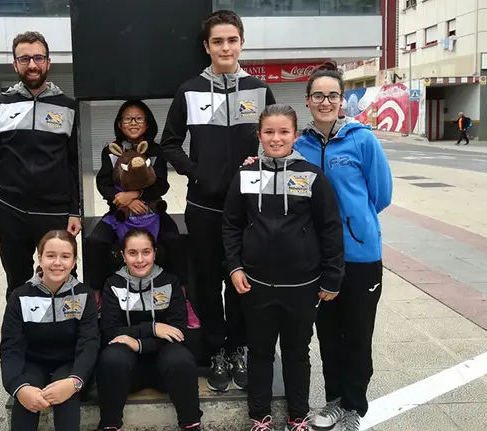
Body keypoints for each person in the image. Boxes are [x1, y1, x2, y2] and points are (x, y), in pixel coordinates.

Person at [246, 62, 393, 430]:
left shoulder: (363, 140)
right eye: (317, 95)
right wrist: (254, 162)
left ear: (342, 100)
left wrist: (352, 225)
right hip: (318, 261)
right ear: (308, 101)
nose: (325, 101)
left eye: (332, 95)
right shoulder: (302, 143)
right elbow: (276, 165)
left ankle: (353, 407)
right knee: (328, 335)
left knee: (357, 335)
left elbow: (381, 195)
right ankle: (332, 402)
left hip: (360, 257)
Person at [160, 9, 276, 391]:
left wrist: (260, 161)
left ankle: (239, 347)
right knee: (207, 283)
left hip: (248, 210)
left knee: (242, 283)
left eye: (232, 40)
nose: (225, 47)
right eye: (217, 41)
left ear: (241, 42)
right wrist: (195, 171)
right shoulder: (189, 90)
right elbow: (169, 143)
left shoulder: (260, 90)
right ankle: (215, 352)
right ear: (206, 46)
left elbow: (275, 140)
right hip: (204, 207)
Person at [223, 104, 344, 431]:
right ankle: (259, 417)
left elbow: (330, 228)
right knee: (260, 351)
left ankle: (297, 416)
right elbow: (231, 225)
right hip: (255, 283)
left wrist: (332, 277)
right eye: (269, 132)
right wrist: (234, 266)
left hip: (302, 286)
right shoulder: (246, 174)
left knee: (296, 353)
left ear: (294, 135)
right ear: (259, 135)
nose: (276, 139)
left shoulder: (311, 175)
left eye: (283, 132)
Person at [0, 31, 82, 300]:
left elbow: (74, 164)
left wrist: (74, 211)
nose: (32, 65)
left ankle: (68, 339)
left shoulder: (69, 108)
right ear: (15, 64)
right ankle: (20, 340)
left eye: (38, 57)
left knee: (65, 281)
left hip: (55, 211)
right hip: (10, 211)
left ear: (48, 62)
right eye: (24, 58)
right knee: (17, 285)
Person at [84, 100, 199, 327]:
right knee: (96, 241)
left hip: (152, 209)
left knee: (175, 240)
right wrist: (121, 201)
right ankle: (96, 296)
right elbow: (102, 182)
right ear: (119, 123)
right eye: (127, 118)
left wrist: (137, 196)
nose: (133, 123)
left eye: (139, 118)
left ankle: (183, 297)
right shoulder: (110, 150)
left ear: (147, 124)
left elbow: (162, 185)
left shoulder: (157, 151)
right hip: (119, 212)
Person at [95, 228, 203, 431]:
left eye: (146, 252)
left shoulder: (170, 282)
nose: (140, 259)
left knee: (181, 358)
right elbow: (110, 331)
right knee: (111, 357)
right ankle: (110, 424)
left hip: (165, 370)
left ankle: (191, 424)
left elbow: (178, 332)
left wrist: (138, 342)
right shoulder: (113, 284)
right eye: (132, 253)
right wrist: (153, 328)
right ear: (123, 255)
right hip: (128, 373)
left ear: (155, 252)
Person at [0, 230, 99, 431]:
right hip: (34, 363)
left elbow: (90, 342)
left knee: (66, 395)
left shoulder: (84, 295)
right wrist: (18, 388)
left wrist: (75, 381)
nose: (57, 263)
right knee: (27, 396)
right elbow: (10, 347)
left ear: (74, 261)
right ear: (40, 258)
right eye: (51, 255)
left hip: (69, 363)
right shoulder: (20, 296)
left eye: (65, 256)